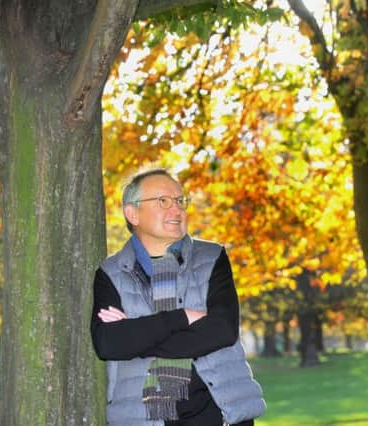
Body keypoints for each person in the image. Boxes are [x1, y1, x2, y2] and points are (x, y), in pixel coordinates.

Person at [91, 169, 266, 426]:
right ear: (133, 213)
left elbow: (222, 330)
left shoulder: (212, 258)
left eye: (180, 201)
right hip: (147, 419)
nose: (177, 209)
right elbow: (109, 343)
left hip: (220, 414)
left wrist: (138, 337)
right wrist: (182, 317)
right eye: (163, 201)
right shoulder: (110, 273)